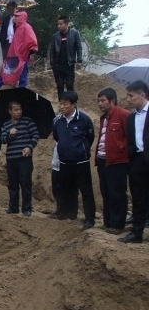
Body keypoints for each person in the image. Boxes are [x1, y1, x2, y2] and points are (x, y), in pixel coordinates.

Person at [51, 91, 96, 230]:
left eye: (65, 104)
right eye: (61, 103)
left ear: (73, 104)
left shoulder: (83, 119)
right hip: (65, 161)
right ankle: (68, 213)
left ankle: (90, 219)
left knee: (86, 190)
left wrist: (80, 150)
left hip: (81, 161)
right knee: (67, 189)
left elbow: (90, 137)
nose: (62, 106)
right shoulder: (58, 121)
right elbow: (57, 137)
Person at [94, 88, 130, 235]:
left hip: (118, 161)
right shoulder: (104, 118)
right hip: (103, 160)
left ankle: (117, 224)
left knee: (117, 193)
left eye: (103, 100)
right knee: (106, 192)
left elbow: (130, 137)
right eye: (99, 101)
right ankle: (108, 222)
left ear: (112, 101)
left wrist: (122, 150)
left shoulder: (123, 115)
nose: (100, 104)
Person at [118, 81, 149, 244]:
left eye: (131, 95)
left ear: (142, 95)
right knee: (138, 198)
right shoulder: (130, 117)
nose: (128, 99)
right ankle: (137, 233)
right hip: (137, 160)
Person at [1, 101, 39, 217]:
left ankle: (27, 208)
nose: (19, 112)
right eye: (16, 110)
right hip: (11, 158)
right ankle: (13, 207)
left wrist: (29, 147)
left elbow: (35, 135)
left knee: (26, 184)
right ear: (10, 111)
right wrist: (10, 134)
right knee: (13, 185)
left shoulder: (28, 121)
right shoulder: (6, 125)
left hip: (24, 159)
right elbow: (2, 140)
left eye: (20, 109)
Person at [0, 11, 37, 89]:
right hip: (14, 54)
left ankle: (22, 89)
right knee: (6, 70)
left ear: (21, 17)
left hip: (23, 56)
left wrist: (30, 52)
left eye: (17, 16)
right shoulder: (18, 27)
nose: (14, 18)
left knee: (23, 73)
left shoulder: (26, 27)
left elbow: (32, 41)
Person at [50, 16, 83, 100]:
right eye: (58, 24)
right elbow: (52, 49)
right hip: (58, 65)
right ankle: (62, 104)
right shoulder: (55, 36)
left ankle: (72, 105)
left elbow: (79, 47)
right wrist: (52, 62)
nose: (59, 26)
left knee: (69, 85)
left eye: (61, 24)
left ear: (66, 24)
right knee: (60, 85)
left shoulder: (74, 33)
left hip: (69, 64)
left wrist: (79, 60)